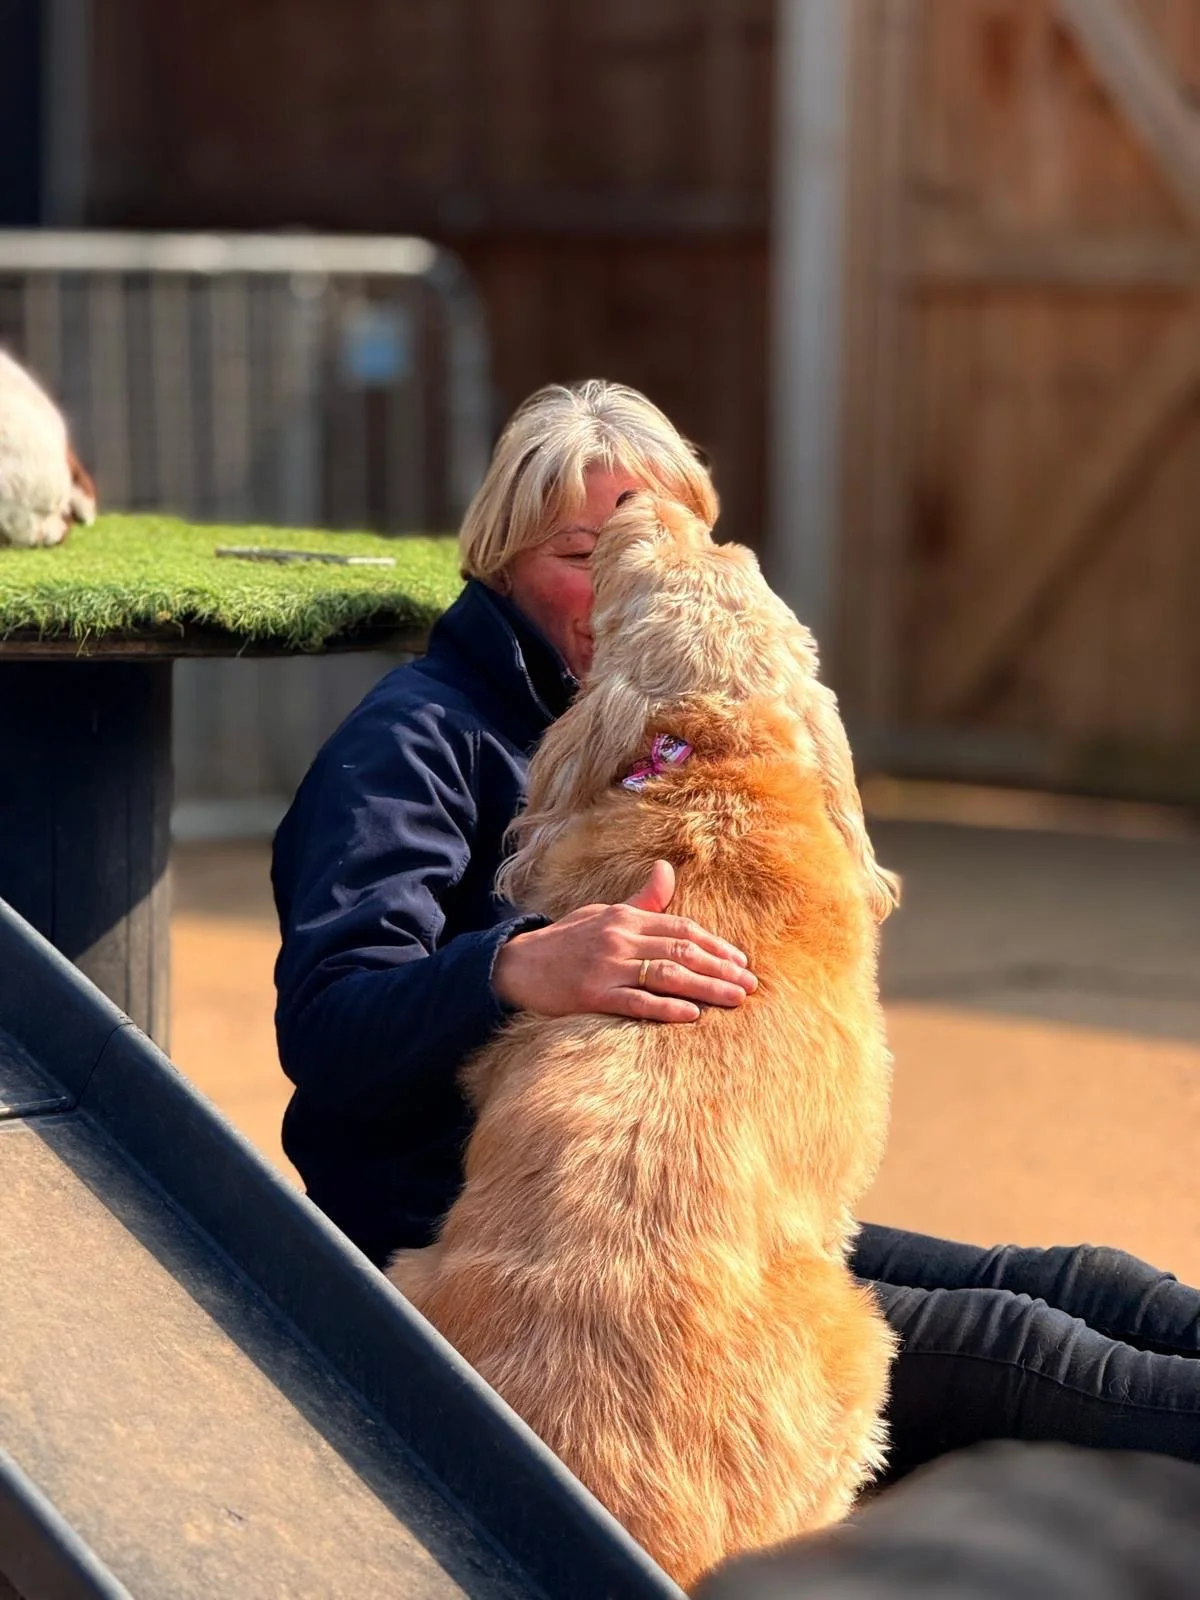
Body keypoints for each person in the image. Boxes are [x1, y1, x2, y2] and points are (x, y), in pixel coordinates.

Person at [272, 378, 1200, 1483]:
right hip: (513, 1245)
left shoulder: (671, 711)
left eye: (653, 550)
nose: (621, 589)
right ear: (503, 559)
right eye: (582, 554)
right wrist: (519, 965)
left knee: (1068, 1282)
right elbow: (326, 1027)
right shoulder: (415, 742)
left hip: (689, 1202)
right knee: (1019, 1354)